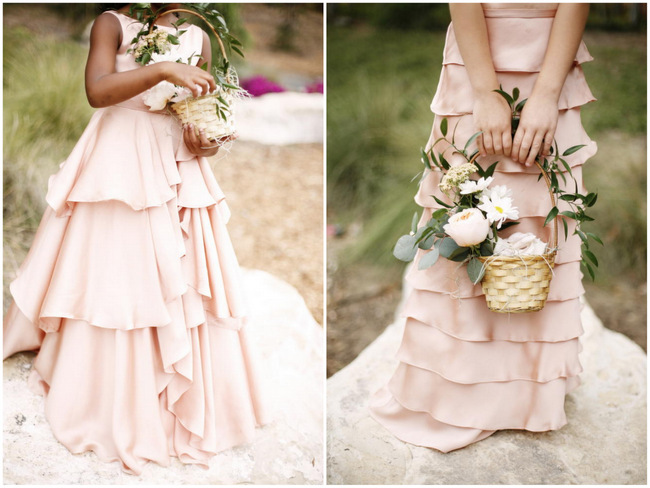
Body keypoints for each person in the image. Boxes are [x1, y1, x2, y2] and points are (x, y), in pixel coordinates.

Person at [3, 5, 268, 474]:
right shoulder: (112, 23)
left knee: (177, 274)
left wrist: (204, 141)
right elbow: (97, 91)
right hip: (118, 161)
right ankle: (104, 388)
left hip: (174, 164)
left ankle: (171, 391)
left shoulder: (198, 36)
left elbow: (193, 115)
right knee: (117, 270)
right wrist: (163, 67)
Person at [369, 3, 596, 452]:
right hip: (478, 59)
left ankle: (531, 393)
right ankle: (460, 389)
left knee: (541, 221)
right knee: (466, 216)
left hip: (551, 54)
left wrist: (547, 94)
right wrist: (487, 92)